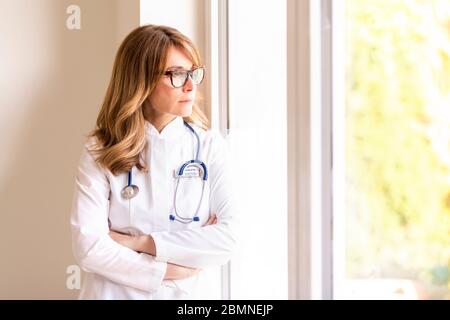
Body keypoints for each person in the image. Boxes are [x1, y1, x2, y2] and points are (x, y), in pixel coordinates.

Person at [70, 24, 238, 299]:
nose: (189, 85)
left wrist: (138, 242)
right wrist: (169, 269)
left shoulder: (209, 146)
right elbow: (89, 248)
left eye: (193, 73)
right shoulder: (100, 149)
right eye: (176, 74)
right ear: (140, 80)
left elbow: (228, 239)